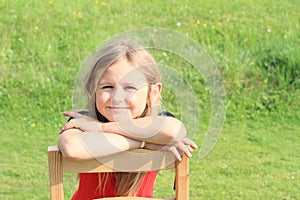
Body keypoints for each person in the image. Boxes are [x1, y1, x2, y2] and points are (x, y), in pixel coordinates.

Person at [58, 40, 198, 199]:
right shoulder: (83, 120)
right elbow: (71, 147)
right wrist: (142, 143)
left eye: (130, 88)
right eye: (107, 87)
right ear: (93, 89)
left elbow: (175, 130)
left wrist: (101, 129)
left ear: (153, 92)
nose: (117, 98)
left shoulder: (156, 121)